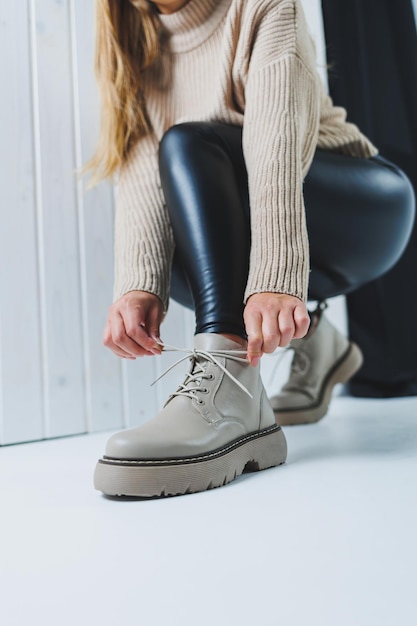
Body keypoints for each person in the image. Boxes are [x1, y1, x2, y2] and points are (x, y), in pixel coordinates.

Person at [90, 0, 415, 497]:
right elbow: (140, 175)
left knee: (187, 144)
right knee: (179, 210)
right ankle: (314, 342)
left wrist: (275, 278)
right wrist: (137, 283)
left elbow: (275, 144)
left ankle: (232, 384)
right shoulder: (133, 42)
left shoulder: (262, 7)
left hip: (362, 208)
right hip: (256, 210)